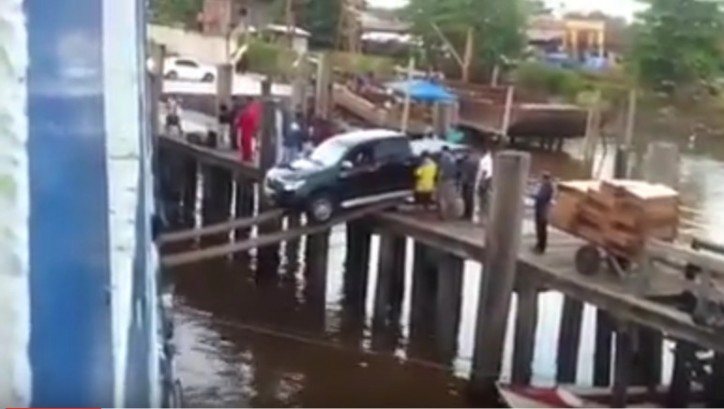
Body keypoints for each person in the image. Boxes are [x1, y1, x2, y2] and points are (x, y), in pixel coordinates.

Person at [532, 172, 554, 254]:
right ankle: (539, 245)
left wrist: (534, 195)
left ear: (545, 178)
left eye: (542, 178)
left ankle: (541, 247)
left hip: (542, 211)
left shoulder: (547, 187)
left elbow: (541, 197)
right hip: (541, 209)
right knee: (540, 229)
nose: (541, 179)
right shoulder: (546, 186)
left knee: (541, 229)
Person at [235, 98, 261, 163]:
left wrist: (237, 125)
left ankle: (246, 156)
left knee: (246, 143)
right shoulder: (254, 109)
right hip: (249, 129)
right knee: (247, 143)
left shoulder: (246, 111)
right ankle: (248, 156)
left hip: (246, 129)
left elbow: (239, 121)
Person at [436, 145, 459, 220]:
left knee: (442, 198)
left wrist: (438, 180)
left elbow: (441, 171)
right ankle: (452, 215)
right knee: (451, 198)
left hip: (444, 180)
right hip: (452, 179)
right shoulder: (453, 158)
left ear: (443, 150)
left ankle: (444, 215)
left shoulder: (443, 158)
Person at [459, 151, 480, 220]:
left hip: (467, 183)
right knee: (470, 199)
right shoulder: (476, 162)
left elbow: (464, 173)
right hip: (471, 183)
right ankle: (469, 214)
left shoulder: (466, 162)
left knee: (467, 199)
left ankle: (467, 214)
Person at [474, 148, 493, 223]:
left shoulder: (485, 160)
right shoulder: (489, 160)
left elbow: (485, 171)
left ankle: (482, 220)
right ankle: (485, 220)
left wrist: (481, 183)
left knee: (482, 202)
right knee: (485, 202)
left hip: (484, 183)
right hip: (487, 182)